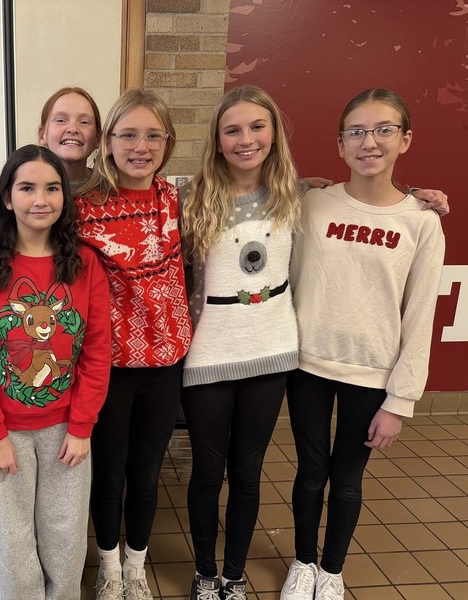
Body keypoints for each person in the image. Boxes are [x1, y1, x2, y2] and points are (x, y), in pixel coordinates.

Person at [280, 88, 445, 600]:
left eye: (383, 130)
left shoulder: (422, 221)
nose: (368, 142)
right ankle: (303, 563)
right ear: (340, 143)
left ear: (405, 139)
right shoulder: (313, 203)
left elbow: (420, 317)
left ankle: (331, 570)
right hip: (307, 364)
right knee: (310, 474)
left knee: (346, 479)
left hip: (370, 375)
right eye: (356, 131)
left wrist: (400, 401)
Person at [0, 144, 111, 600]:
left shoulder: (84, 266)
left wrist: (82, 426)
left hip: (67, 430)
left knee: (65, 533)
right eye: (27, 187)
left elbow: (97, 352)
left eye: (52, 188)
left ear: (65, 197)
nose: (40, 199)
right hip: (5, 433)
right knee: (16, 537)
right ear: (7, 197)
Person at [179, 85, 303, 600]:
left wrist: (414, 193)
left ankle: (233, 575)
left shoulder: (297, 194)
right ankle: (205, 573)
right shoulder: (191, 196)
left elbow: (361, 192)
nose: (246, 139)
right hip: (208, 354)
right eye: (233, 129)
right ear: (217, 139)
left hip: (269, 352)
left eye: (257, 127)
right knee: (208, 472)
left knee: (248, 473)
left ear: (273, 134)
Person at [74, 89, 192, 600]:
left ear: (167, 143)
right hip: (108, 366)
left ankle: (137, 564)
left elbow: (260, 189)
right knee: (110, 474)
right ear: (107, 141)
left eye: (152, 135)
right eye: (127, 134)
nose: (140, 146)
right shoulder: (80, 208)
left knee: (146, 473)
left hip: (165, 362)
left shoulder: (179, 196)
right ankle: (108, 566)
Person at [38, 86, 102, 190]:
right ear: (42, 135)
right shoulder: (23, 189)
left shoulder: (111, 193)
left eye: (84, 122)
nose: (72, 129)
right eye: (61, 120)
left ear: (98, 138)